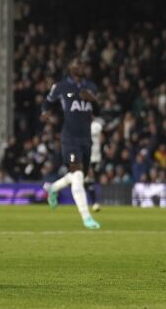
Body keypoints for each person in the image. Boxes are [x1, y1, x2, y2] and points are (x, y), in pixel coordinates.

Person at [41, 58, 101, 230]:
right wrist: (45, 113)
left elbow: (97, 112)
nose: (81, 67)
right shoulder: (61, 87)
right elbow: (47, 102)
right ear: (70, 68)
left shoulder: (91, 86)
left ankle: (53, 188)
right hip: (69, 138)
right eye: (77, 64)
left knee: (78, 176)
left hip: (86, 138)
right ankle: (86, 217)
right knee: (78, 175)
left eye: (82, 64)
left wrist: (93, 99)